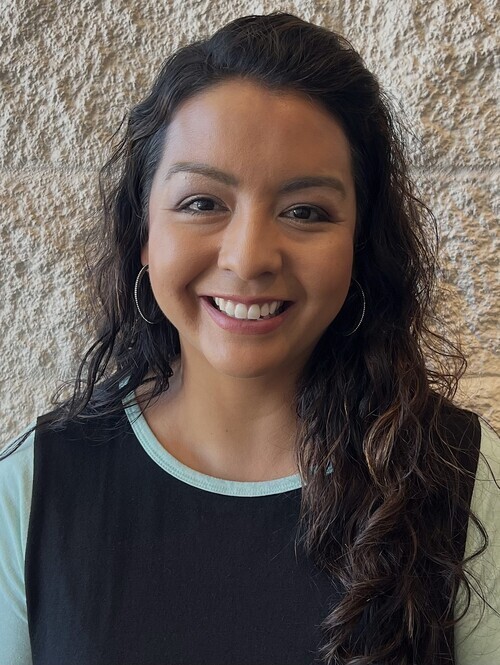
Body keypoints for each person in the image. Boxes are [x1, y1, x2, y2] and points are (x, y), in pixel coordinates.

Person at [0, 11, 498, 665]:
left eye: (305, 211)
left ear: (360, 243)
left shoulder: (466, 478)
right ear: (144, 232)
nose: (249, 257)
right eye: (203, 202)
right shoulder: (36, 486)